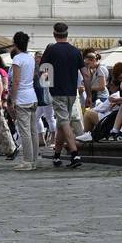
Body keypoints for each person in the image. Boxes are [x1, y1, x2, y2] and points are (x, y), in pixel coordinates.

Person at [40, 22, 85, 168]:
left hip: (57, 91)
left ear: (54, 34)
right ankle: (57, 156)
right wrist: (89, 95)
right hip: (72, 93)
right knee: (61, 123)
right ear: (67, 34)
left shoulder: (51, 50)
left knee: (64, 122)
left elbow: (43, 72)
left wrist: (47, 86)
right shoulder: (75, 51)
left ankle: (74, 154)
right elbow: (85, 74)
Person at [7, 33, 40, 170]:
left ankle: (27, 161)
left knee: (25, 131)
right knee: (33, 131)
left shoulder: (17, 60)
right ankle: (34, 160)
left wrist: (13, 99)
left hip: (22, 98)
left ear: (15, 43)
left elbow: (16, 81)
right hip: (32, 96)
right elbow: (32, 76)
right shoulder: (31, 58)